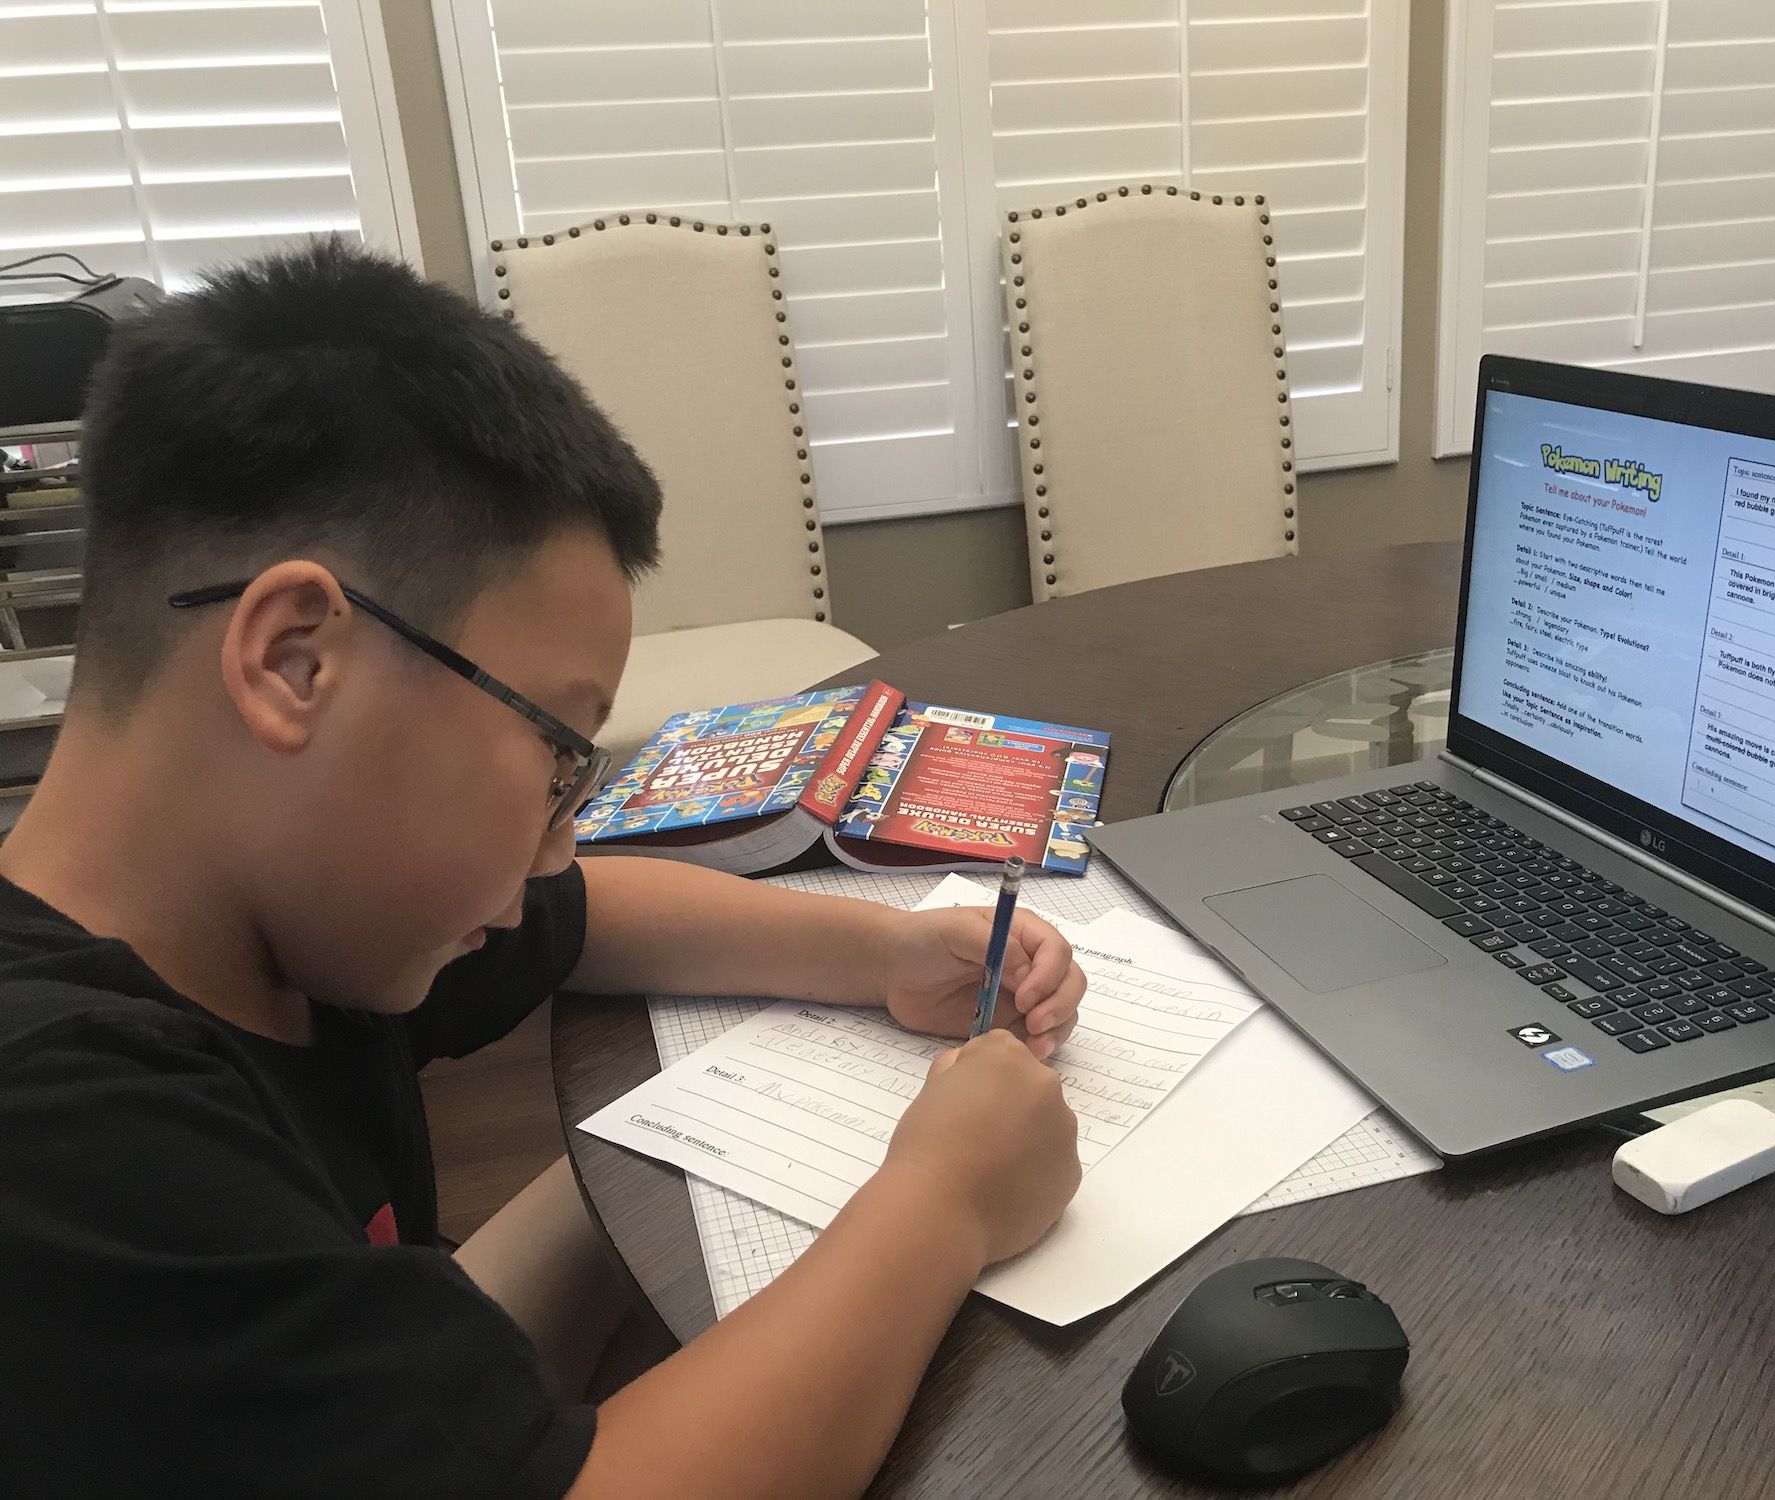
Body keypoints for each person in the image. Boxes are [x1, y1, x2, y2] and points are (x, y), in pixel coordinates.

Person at [0, 242, 1085, 1499]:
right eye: (556, 752)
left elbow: (584, 919)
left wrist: (883, 952)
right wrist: (942, 1197)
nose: (556, 847)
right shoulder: (62, 1136)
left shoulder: (281, 927)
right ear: (297, 661)